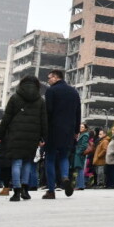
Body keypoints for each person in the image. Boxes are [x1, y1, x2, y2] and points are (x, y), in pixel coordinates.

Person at [0, 75, 48, 203]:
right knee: (27, 162)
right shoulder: (40, 100)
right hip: (33, 135)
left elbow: (6, 118)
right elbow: (44, 120)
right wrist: (43, 137)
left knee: (16, 162)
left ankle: (16, 191)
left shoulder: (15, 97)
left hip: (15, 134)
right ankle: (25, 190)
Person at [43, 69, 82, 199]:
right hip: (69, 130)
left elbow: (48, 111)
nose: (48, 80)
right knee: (64, 156)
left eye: (50, 78)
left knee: (50, 158)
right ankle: (65, 177)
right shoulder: (74, 92)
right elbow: (78, 113)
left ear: (55, 77)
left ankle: (51, 190)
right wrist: (76, 130)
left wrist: (44, 131)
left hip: (53, 129)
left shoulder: (51, 91)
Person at [72, 123, 91, 191]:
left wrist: (78, 152)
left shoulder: (85, 135)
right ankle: (79, 185)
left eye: (82, 127)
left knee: (80, 169)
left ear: (85, 129)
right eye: (80, 127)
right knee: (79, 169)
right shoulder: (81, 135)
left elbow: (84, 145)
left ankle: (80, 185)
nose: (81, 128)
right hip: (79, 153)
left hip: (80, 154)